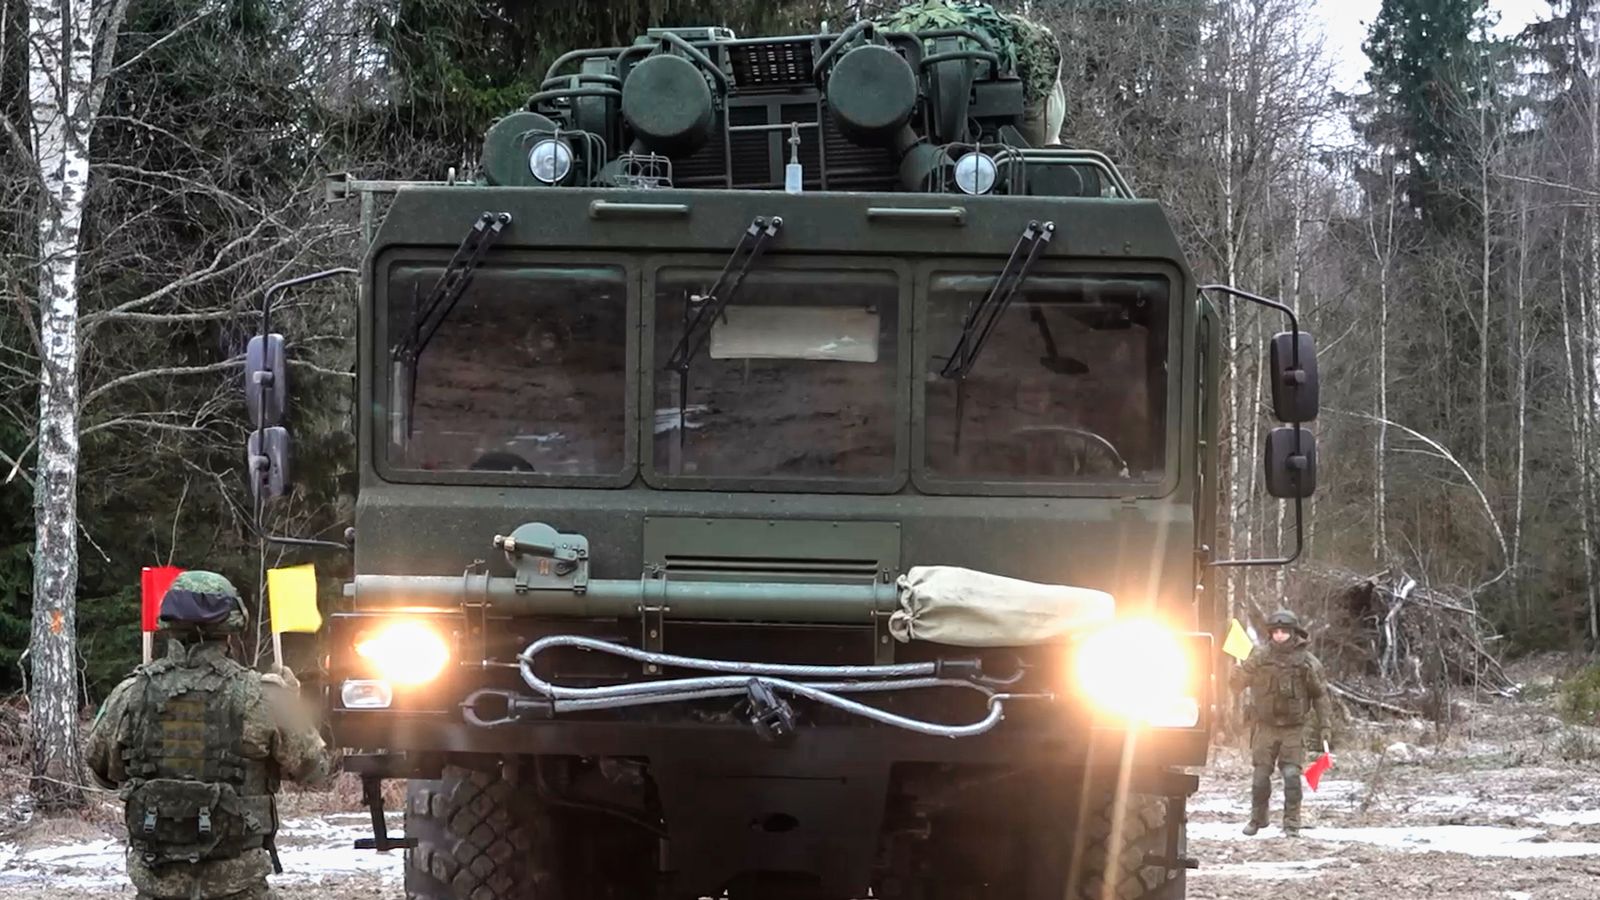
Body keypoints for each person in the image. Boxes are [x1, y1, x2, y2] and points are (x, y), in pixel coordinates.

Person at [86, 570, 334, 900]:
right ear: (231, 628)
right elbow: (316, 770)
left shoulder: (130, 694)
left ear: (168, 625)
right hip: (238, 886)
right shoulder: (264, 697)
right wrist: (295, 706)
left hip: (157, 885)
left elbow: (102, 773)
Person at [1228, 607, 1331, 837]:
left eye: (1285, 631)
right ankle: (1258, 818)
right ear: (1270, 634)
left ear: (1293, 633)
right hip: (1265, 726)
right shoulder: (1260, 658)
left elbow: (1320, 695)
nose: (1280, 636)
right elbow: (1236, 686)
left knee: (1292, 776)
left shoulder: (1306, 662)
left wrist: (1325, 727)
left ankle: (1292, 823)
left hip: (1293, 730)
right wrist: (1237, 673)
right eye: (1276, 631)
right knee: (1260, 778)